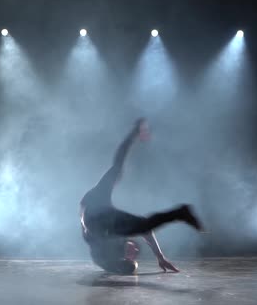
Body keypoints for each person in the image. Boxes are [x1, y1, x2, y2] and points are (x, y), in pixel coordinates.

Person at [80, 118, 204, 275]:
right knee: (143, 225)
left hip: (96, 213)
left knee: (118, 168)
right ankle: (180, 212)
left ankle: (180, 212)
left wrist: (129, 263)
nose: (135, 249)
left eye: (133, 252)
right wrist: (156, 257)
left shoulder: (107, 248)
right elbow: (145, 232)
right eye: (136, 251)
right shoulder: (115, 240)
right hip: (97, 215)